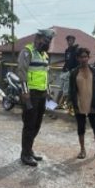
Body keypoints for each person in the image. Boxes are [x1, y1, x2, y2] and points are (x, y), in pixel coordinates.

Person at [17, 28, 56, 166]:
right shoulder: (27, 51)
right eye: (46, 40)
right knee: (29, 124)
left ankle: (29, 149)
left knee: (37, 124)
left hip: (41, 93)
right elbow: (22, 72)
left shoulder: (44, 55)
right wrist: (25, 92)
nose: (48, 43)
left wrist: (48, 92)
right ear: (38, 38)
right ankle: (25, 154)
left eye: (49, 41)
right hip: (30, 93)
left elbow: (46, 75)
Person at [69, 47, 95, 160]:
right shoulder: (74, 73)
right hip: (80, 104)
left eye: (86, 56)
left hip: (93, 104)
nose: (84, 59)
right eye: (81, 57)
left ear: (89, 58)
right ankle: (82, 150)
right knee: (81, 128)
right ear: (77, 58)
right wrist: (72, 104)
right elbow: (71, 90)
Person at [57, 35, 79, 108]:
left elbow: (77, 62)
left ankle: (61, 104)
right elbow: (66, 61)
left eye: (71, 40)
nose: (70, 41)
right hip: (64, 71)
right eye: (68, 40)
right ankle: (55, 104)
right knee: (60, 88)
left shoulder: (76, 50)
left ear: (73, 41)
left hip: (70, 71)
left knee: (66, 90)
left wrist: (73, 71)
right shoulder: (67, 50)